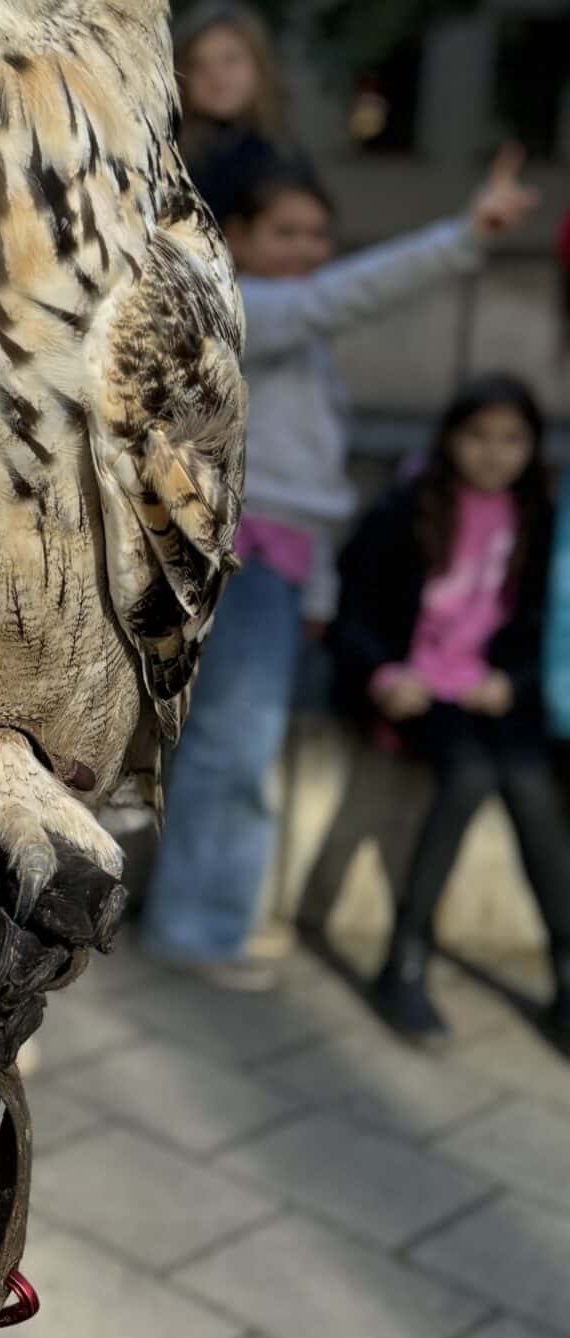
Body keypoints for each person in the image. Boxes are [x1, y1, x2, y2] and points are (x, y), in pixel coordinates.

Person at [138, 144, 537, 992]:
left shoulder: (284, 329)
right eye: (286, 231)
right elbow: (338, 297)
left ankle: (209, 920)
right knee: (230, 755)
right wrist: (463, 236)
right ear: (233, 232)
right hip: (242, 569)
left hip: (274, 572)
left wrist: (313, 591)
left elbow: (307, 486)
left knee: (239, 752)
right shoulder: (239, 305)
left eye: (319, 233)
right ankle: (197, 930)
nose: (308, 249)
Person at [333, 374, 570, 1041]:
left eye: (512, 440)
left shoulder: (540, 519)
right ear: (450, 439)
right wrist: (383, 674)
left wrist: (513, 682)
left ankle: (567, 976)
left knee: (527, 783)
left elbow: (545, 624)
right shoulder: (406, 509)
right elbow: (354, 613)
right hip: (418, 690)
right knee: (467, 778)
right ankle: (403, 962)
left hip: (492, 691)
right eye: (478, 436)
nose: (494, 454)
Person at [174, 0, 290, 222]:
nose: (216, 78)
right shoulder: (171, 159)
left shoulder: (285, 153)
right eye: (199, 65)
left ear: (259, 63)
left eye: (231, 60)